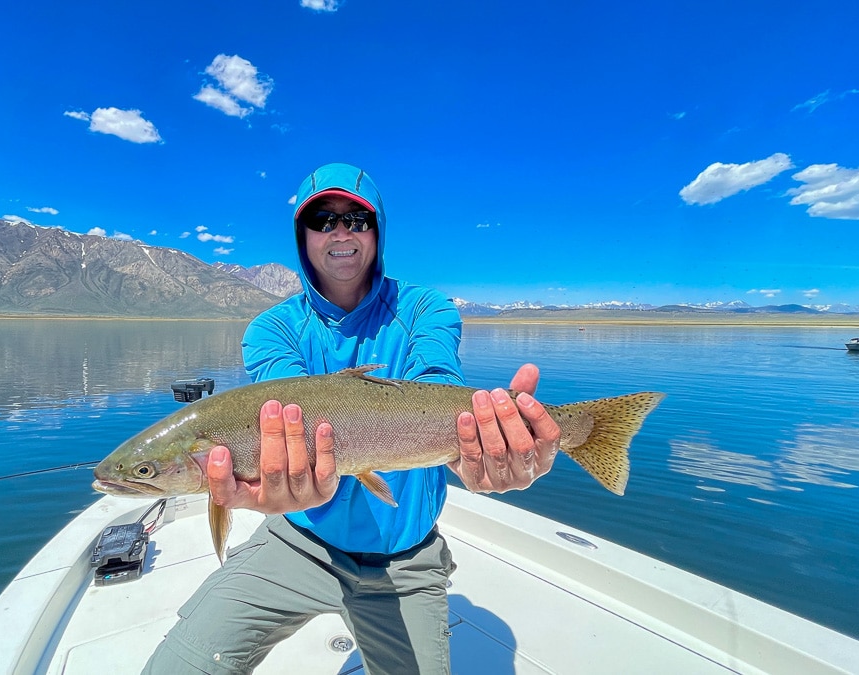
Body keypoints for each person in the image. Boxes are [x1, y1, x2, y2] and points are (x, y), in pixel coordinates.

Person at [142, 162, 561, 674]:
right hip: (297, 540)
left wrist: (479, 453)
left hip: (408, 560)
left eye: (357, 219)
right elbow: (284, 409)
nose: (340, 231)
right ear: (303, 235)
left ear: (377, 231)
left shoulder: (426, 310)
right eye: (322, 219)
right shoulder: (271, 329)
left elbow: (436, 385)